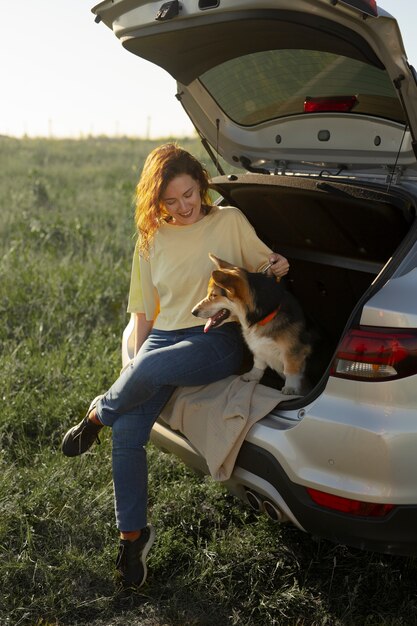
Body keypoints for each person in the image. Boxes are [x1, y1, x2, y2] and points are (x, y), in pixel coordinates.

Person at [61, 143, 289, 589]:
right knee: (128, 430)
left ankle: (97, 414)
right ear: (156, 201)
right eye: (171, 201)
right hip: (164, 336)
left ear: (201, 186)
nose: (183, 207)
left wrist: (280, 265)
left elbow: (267, 268)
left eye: (189, 194)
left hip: (216, 338)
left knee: (143, 377)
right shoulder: (151, 238)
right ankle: (132, 538)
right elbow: (145, 314)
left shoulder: (229, 221)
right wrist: (137, 361)